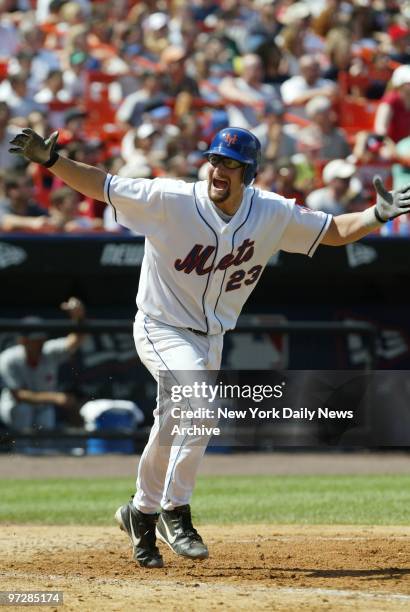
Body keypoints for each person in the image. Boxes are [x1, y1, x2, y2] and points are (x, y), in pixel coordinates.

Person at [8, 125, 410, 567]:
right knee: (200, 407)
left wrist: (375, 215)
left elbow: (332, 231)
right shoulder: (171, 199)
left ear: (249, 173)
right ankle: (174, 511)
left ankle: (139, 512)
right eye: (215, 159)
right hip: (161, 326)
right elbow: (102, 186)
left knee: (172, 421)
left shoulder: (270, 212)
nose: (219, 169)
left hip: (212, 336)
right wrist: (52, 163)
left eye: (231, 164)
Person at [0, 297, 86, 451]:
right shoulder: (8, 358)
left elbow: (75, 340)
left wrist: (78, 317)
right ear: (23, 341)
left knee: (46, 421)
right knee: (23, 411)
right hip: (16, 406)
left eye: (41, 339)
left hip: (44, 407)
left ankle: (44, 465)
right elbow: (18, 395)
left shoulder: (48, 351)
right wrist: (55, 397)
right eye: (34, 340)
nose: (39, 343)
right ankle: (20, 454)